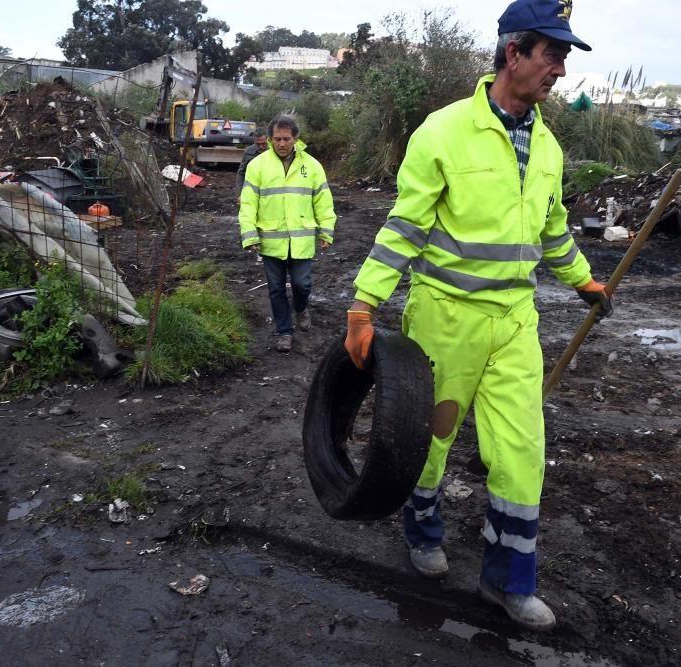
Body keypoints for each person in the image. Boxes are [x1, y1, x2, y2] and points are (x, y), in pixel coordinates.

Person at [343, 0, 613, 632]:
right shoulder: (442, 132)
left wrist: (583, 280)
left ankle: (508, 580)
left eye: (565, 58)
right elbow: (402, 228)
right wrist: (364, 305)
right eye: (553, 55)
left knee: (522, 451)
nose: (560, 72)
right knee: (431, 439)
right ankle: (424, 530)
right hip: (445, 318)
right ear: (513, 53)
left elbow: (553, 230)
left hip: (515, 321)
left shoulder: (546, 144)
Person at [239, 115, 336, 352]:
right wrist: (249, 235)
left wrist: (326, 231)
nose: (281, 144)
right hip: (270, 240)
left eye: (286, 139)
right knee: (276, 288)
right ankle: (284, 332)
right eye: (277, 139)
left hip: (302, 240)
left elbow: (323, 200)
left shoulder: (311, 166)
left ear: (295, 138)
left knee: (302, 284)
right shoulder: (257, 166)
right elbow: (248, 203)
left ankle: (301, 308)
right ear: (270, 140)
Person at [235, 127, 270, 198]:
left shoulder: (275, 151)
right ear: (254, 141)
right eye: (258, 144)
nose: (261, 146)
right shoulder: (248, 152)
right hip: (253, 191)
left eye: (264, 143)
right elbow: (241, 173)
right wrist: (240, 193)